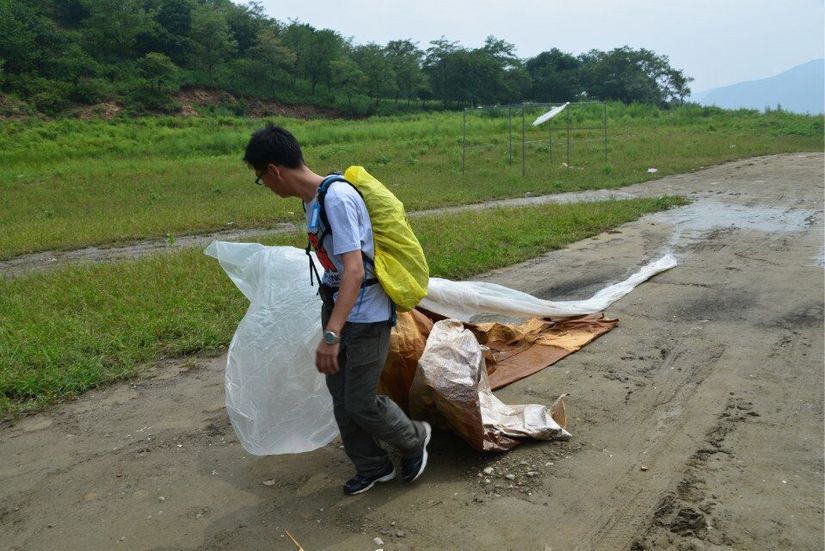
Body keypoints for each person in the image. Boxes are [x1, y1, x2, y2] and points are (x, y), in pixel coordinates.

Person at [243, 124, 431, 495]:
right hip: (337, 306)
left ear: (273, 170)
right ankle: (373, 466)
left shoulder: (337, 198)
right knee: (341, 396)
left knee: (360, 401)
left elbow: (355, 270)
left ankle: (414, 437)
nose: (265, 186)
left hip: (366, 314)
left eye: (261, 179)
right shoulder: (311, 200)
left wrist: (332, 334)